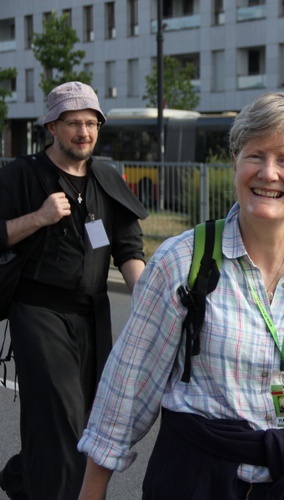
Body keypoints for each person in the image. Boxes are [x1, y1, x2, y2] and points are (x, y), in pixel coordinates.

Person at [77, 92, 284, 499]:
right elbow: (126, 390)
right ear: (235, 163)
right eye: (255, 156)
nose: (268, 173)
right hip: (198, 482)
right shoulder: (183, 260)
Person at [0, 81, 147, 500]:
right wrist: (39, 217)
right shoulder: (21, 176)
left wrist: (149, 299)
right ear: (51, 126)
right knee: (62, 421)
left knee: (85, 423)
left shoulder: (106, 178)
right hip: (38, 311)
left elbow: (127, 249)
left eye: (91, 123)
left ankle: (22, 478)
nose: (84, 132)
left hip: (93, 316)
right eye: (73, 123)